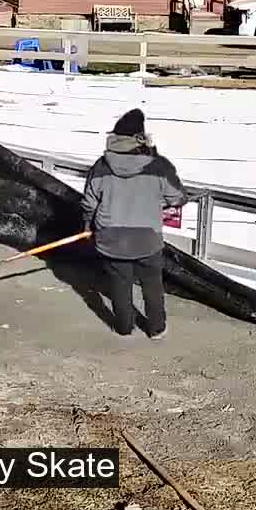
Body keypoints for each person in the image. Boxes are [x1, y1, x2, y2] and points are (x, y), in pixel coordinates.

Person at [81, 109, 186, 340]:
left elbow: (89, 202)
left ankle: (124, 327)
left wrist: (88, 226)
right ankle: (156, 328)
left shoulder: (101, 166)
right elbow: (177, 197)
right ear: (141, 136)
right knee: (152, 284)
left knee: (120, 283)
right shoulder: (158, 166)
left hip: (111, 238)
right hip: (147, 238)